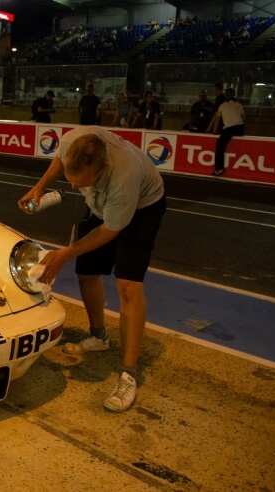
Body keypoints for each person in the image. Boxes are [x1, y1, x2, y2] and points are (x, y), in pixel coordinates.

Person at [18, 125, 166, 412]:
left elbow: (110, 230)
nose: (73, 187)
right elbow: (61, 160)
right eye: (73, 182)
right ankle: (99, 337)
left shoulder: (124, 177)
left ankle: (129, 373)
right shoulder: (74, 141)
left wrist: (65, 254)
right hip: (102, 205)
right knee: (86, 273)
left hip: (141, 210)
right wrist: (41, 185)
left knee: (128, 284)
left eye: (80, 182)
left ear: (102, 169)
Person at [206, 87, 244, 176]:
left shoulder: (222, 105)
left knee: (219, 144)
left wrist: (214, 131)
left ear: (226, 96)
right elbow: (243, 118)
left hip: (229, 128)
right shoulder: (239, 105)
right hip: (240, 128)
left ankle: (219, 168)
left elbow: (217, 119)